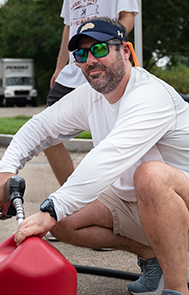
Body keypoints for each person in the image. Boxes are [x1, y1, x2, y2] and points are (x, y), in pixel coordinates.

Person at [0, 18, 189, 295]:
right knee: (63, 221)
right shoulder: (90, 96)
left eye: (98, 49)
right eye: (81, 54)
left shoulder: (150, 94)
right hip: (142, 204)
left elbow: (110, 156)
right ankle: (151, 254)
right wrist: (6, 168)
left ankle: (176, 290)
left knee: (150, 175)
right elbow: (40, 126)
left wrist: (50, 209)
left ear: (126, 51)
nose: (90, 60)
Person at [44, 0, 139, 186]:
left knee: (112, 134)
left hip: (104, 64)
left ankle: (113, 194)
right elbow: (69, 27)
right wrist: (59, 67)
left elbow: (128, 17)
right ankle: (72, 194)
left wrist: (105, 43)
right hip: (76, 68)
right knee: (46, 131)